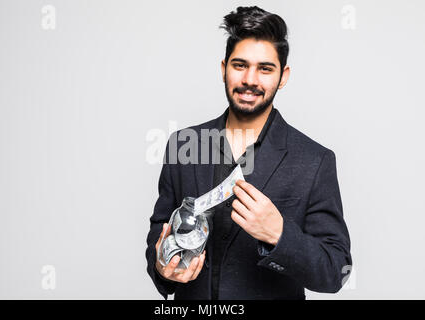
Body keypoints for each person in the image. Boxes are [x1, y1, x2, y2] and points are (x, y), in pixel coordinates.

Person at [145, 6, 352, 300]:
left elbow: (335, 269)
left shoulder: (314, 161)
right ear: (223, 68)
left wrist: (278, 234)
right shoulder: (183, 145)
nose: (250, 80)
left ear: (283, 76)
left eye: (265, 69)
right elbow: (160, 229)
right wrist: (163, 267)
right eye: (239, 65)